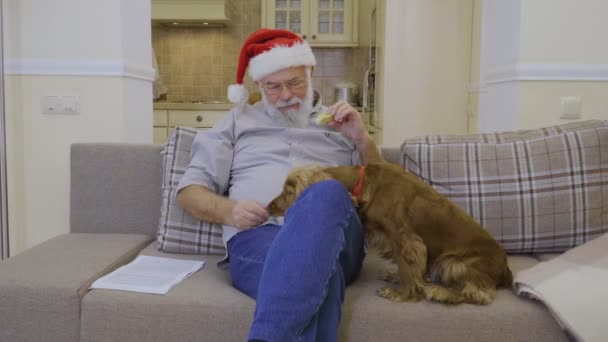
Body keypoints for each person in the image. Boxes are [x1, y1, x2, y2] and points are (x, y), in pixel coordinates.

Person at [176, 28, 383, 342]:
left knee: (325, 191)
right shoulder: (236, 122)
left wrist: (361, 138)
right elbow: (190, 192)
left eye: (294, 83)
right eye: (273, 87)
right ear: (258, 85)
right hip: (257, 239)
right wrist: (230, 211)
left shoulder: (340, 122)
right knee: (320, 278)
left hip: (337, 238)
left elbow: (385, 190)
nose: (285, 95)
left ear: (310, 73)